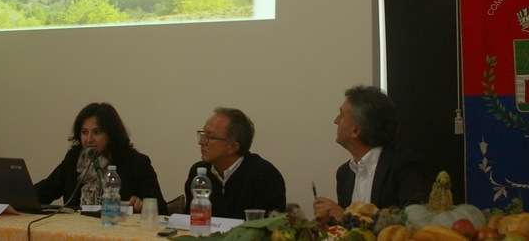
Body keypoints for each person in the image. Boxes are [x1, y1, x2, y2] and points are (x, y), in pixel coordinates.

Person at [313, 85, 430, 220]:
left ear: (356, 131)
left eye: (341, 116)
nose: (336, 120)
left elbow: (413, 221)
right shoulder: (344, 174)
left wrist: (346, 217)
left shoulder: (405, 165)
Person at [34, 102, 168, 213]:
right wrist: (17, 198)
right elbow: (45, 191)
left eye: (97, 132)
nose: (89, 139)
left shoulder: (135, 163)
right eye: (84, 132)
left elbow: (162, 209)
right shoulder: (74, 160)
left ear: (111, 134)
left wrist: (142, 206)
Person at [184, 107, 286, 219]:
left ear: (232, 147)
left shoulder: (265, 176)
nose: (201, 142)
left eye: (210, 137)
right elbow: (187, 222)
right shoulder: (199, 174)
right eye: (203, 134)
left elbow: (271, 229)